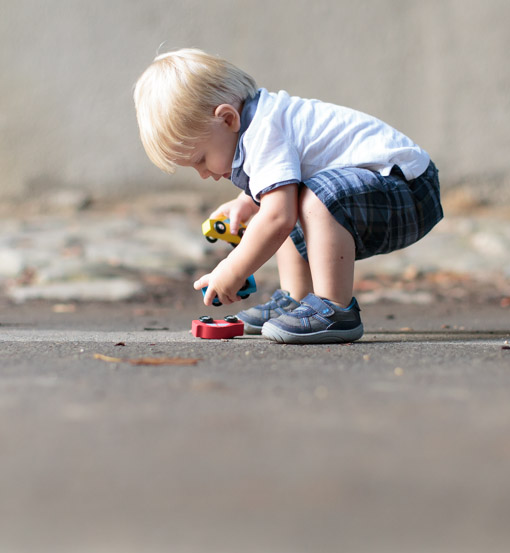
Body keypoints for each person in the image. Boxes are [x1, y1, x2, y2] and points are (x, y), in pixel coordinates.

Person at [133, 48, 442, 344]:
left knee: (293, 204)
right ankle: (297, 298)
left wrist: (232, 269)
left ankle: (336, 309)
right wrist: (246, 202)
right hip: (392, 188)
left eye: (200, 159)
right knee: (285, 199)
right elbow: (278, 191)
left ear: (227, 119)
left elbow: (278, 217)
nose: (202, 173)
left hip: (408, 192)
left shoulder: (265, 130)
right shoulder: (259, 123)